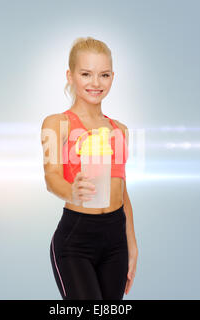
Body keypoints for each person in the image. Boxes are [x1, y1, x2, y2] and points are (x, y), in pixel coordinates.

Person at [41, 37, 138, 300]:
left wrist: (131, 243)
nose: (96, 83)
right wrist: (72, 191)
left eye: (104, 75)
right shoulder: (57, 124)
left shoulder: (120, 130)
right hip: (76, 240)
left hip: (116, 240)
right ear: (70, 76)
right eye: (86, 74)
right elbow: (51, 177)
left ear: (112, 77)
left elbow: (122, 190)